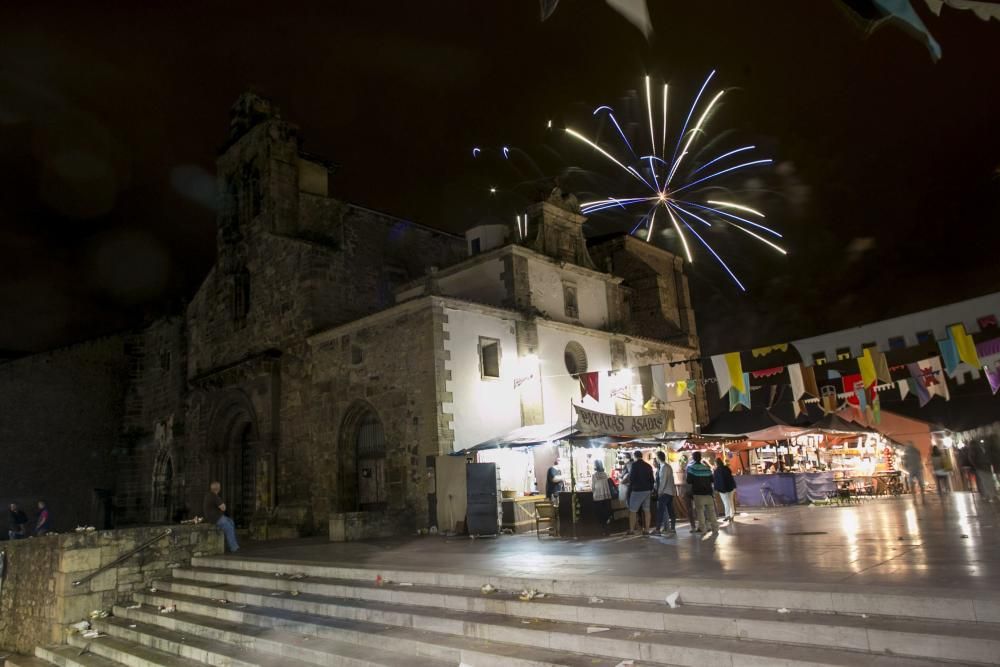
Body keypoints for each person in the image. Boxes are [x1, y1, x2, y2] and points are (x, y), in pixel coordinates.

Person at [686, 452, 719, 536]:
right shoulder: (707, 468)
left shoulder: (691, 468)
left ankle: (703, 530)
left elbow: (689, 481)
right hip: (708, 493)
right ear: (700, 458)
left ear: (693, 458)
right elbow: (712, 480)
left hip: (698, 493)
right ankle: (715, 529)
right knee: (711, 512)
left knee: (700, 513)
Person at [203, 481, 240, 552]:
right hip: (216, 518)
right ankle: (234, 547)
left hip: (214, 517)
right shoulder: (214, 496)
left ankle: (230, 543)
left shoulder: (209, 495)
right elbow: (223, 508)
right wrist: (223, 505)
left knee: (231, 522)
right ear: (218, 488)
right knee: (229, 527)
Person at [627, 450, 654, 535]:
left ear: (635, 456)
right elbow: (652, 479)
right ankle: (647, 530)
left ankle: (631, 530)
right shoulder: (648, 466)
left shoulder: (634, 465)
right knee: (647, 510)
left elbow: (631, 478)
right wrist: (650, 488)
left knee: (632, 510)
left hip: (637, 490)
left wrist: (631, 487)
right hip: (647, 490)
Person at [654, 451, 676, 534]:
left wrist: (659, 491)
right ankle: (673, 528)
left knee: (660, 510)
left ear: (658, 458)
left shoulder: (663, 467)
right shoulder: (668, 466)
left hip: (665, 492)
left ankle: (657, 529)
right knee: (671, 510)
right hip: (670, 491)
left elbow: (663, 481)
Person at [590, 460, 613, 534]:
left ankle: (602, 530)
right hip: (606, 496)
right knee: (606, 512)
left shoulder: (594, 475)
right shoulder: (605, 474)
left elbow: (593, 487)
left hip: (598, 496)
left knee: (600, 514)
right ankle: (607, 529)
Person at [713, 457, 737, 521]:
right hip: (730, 487)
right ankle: (732, 515)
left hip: (722, 489)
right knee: (730, 501)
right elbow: (731, 478)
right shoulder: (727, 468)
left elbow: (716, 481)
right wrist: (734, 486)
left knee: (726, 502)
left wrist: (716, 489)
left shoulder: (716, 471)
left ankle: (727, 515)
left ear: (716, 463)